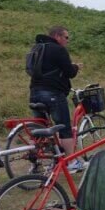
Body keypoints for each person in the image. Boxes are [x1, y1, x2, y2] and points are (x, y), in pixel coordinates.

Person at [28, 26, 83, 171]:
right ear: (57, 36)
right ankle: (71, 162)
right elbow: (70, 72)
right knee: (64, 127)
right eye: (66, 37)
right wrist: (76, 67)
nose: (67, 41)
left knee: (40, 129)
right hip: (52, 93)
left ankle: (35, 164)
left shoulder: (37, 48)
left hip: (34, 92)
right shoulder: (58, 50)